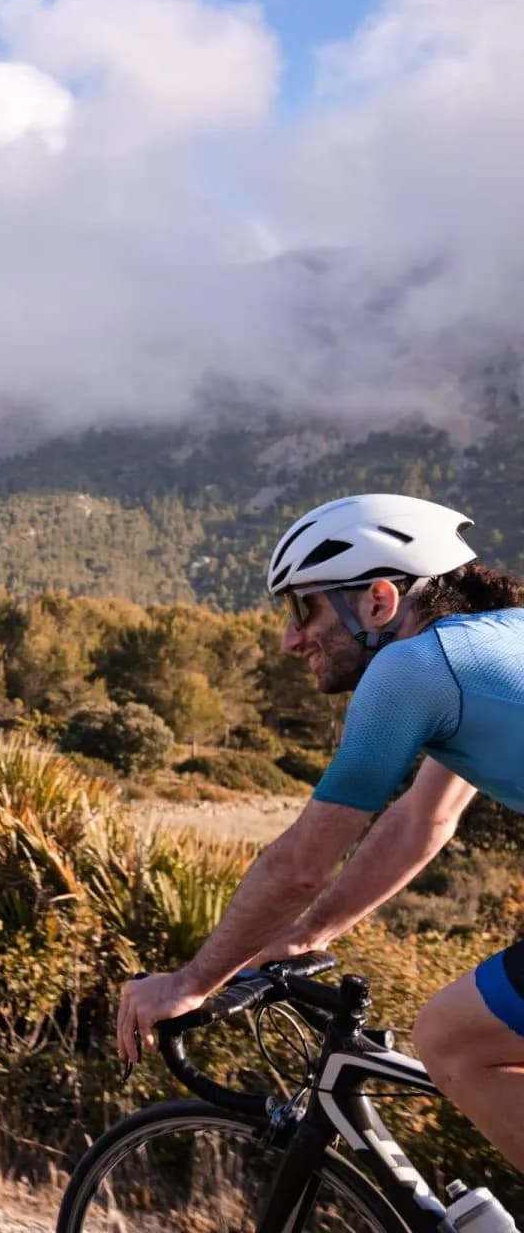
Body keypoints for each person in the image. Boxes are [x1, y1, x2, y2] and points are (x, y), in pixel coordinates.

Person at [117, 493, 524, 1172]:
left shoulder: (411, 671)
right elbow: (425, 819)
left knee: (451, 1039)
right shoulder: (493, 643)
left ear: (379, 601)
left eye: (303, 608)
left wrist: (188, 981)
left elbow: (300, 867)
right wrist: (307, 934)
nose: (289, 638)